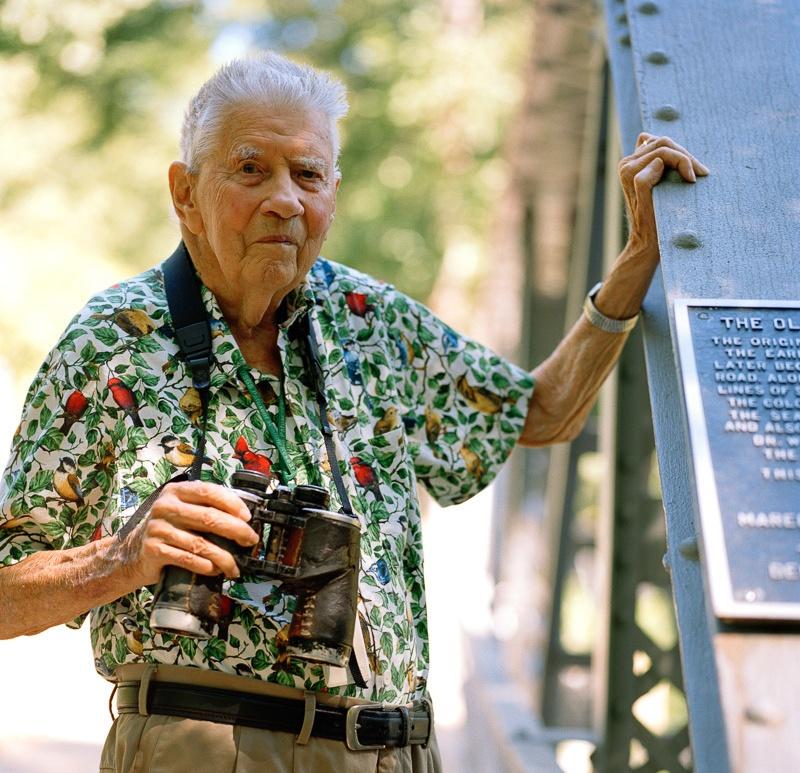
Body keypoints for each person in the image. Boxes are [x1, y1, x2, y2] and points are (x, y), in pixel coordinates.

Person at [0, 53, 706, 772]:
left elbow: (542, 412)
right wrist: (120, 558)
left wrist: (638, 258)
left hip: (392, 750)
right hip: (206, 746)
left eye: (308, 175)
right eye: (251, 170)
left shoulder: (367, 317)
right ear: (185, 193)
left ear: (333, 193)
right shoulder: (114, 339)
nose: (285, 200)